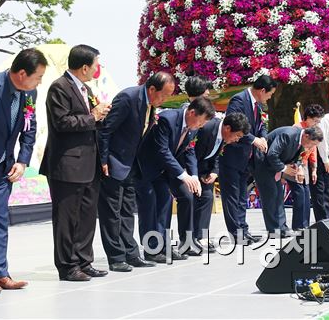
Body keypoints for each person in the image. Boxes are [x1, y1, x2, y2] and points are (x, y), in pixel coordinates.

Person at [0, 48, 47, 294]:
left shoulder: (29, 93)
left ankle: (1, 273)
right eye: (38, 77)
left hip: (5, 168)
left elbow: (29, 128)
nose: (40, 82)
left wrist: (23, 160)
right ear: (22, 73)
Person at [40, 44, 111, 282]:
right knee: (66, 218)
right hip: (67, 164)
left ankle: (83, 260)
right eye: (95, 65)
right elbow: (63, 123)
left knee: (87, 216)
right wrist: (93, 116)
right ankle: (67, 266)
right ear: (84, 67)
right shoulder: (59, 87)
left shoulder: (85, 88)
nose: (97, 69)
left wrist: (100, 114)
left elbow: (89, 123)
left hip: (90, 163)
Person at [96, 72, 175, 272]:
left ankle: (131, 254)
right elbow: (106, 130)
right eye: (163, 95)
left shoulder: (150, 105)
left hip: (131, 165)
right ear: (151, 89)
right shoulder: (128, 98)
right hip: (114, 163)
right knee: (112, 213)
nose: (164, 100)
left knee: (127, 211)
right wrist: (103, 159)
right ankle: (116, 257)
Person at [135, 97, 215, 263]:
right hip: (146, 168)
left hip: (164, 170)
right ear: (192, 113)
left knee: (164, 205)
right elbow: (162, 150)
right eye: (201, 121)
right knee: (149, 207)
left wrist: (193, 175)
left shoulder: (193, 127)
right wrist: (183, 175)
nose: (201, 126)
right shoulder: (168, 119)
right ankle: (151, 249)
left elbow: (189, 151)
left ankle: (163, 246)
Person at [218, 75, 277, 244]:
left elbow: (261, 126)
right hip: (232, 155)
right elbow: (234, 125)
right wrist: (254, 140)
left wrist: (263, 137)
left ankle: (243, 229)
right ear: (262, 90)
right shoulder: (239, 100)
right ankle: (236, 233)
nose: (270, 98)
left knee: (242, 196)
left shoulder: (258, 105)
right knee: (232, 196)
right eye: (269, 94)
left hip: (246, 158)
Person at [185, 112, 250, 255]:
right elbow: (192, 153)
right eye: (237, 136)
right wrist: (197, 175)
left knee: (207, 197)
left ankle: (200, 236)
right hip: (189, 168)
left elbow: (215, 154)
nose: (237, 140)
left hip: (206, 170)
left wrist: (214, 172)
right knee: (189, 200)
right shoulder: (207, 129)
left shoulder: (224, 135)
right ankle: (189, 240)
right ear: (227, 128)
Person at [254, 126, 323, 236]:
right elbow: (272, 154)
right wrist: (285, 169)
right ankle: (274, 230)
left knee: (278, 196)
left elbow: (296, 156)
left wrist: (296, 165)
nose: (312, 147)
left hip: (276, 166)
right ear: (306, 136)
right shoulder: (288, 135)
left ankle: (282, 227)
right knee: (270, 197)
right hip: (263, 165)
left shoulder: (301, 140)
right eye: (312, 144)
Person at [288, 104, 324, 230]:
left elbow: (313, 150)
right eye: (315, 121)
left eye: (318, 121)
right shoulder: (297, 128)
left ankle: (305, 224)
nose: (316, 124)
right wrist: (299, 167)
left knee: (306, 194)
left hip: (305, 165)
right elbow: (294, 151)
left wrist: (314, 169)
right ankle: (298, 226)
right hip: (293, 164)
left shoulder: (313, 131)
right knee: (299, 193)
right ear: (307, 117)